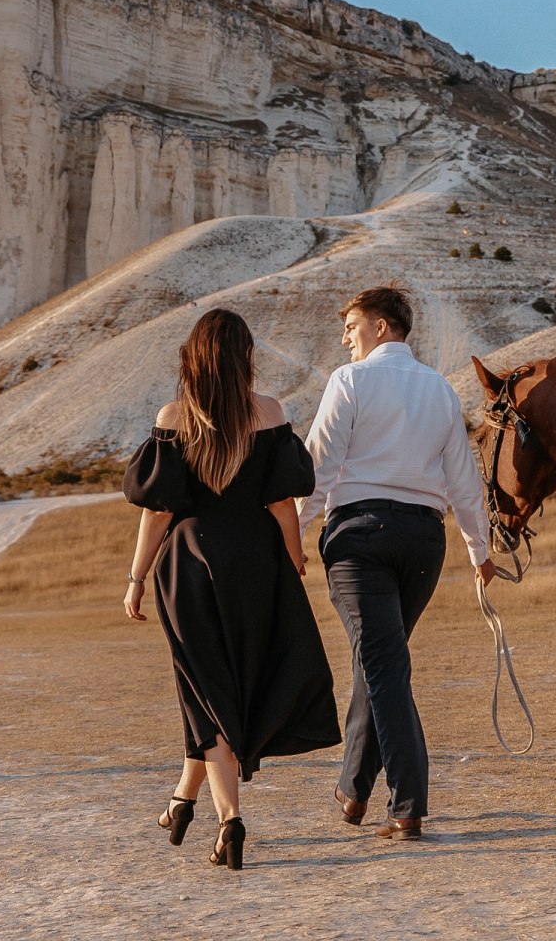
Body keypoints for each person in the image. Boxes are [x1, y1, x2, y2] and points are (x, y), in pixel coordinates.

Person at [123, 308, 340, 872]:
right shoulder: (268, 413)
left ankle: (229, 821)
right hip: (256, 563)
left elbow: (159, 510)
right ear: (244, 356)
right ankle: (182, 800)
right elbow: (282, 506)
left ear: (192, 358)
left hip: (187, 566)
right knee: (227, 689)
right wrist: (294, 564)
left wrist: (137, 576)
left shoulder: (174, 418)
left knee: (206, 692)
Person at [298, 286, 496, 841]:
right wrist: (479, 551)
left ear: (382, 327)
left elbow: (319, 467)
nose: (345, 339)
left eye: (352, 326)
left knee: (383, 665)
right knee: (380, 659)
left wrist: (293, 534)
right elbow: (463, 479)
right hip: (422, 544)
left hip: (359, 539)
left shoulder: (350, 381)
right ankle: (354, 788)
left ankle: (407, 804)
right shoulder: (440, 389)